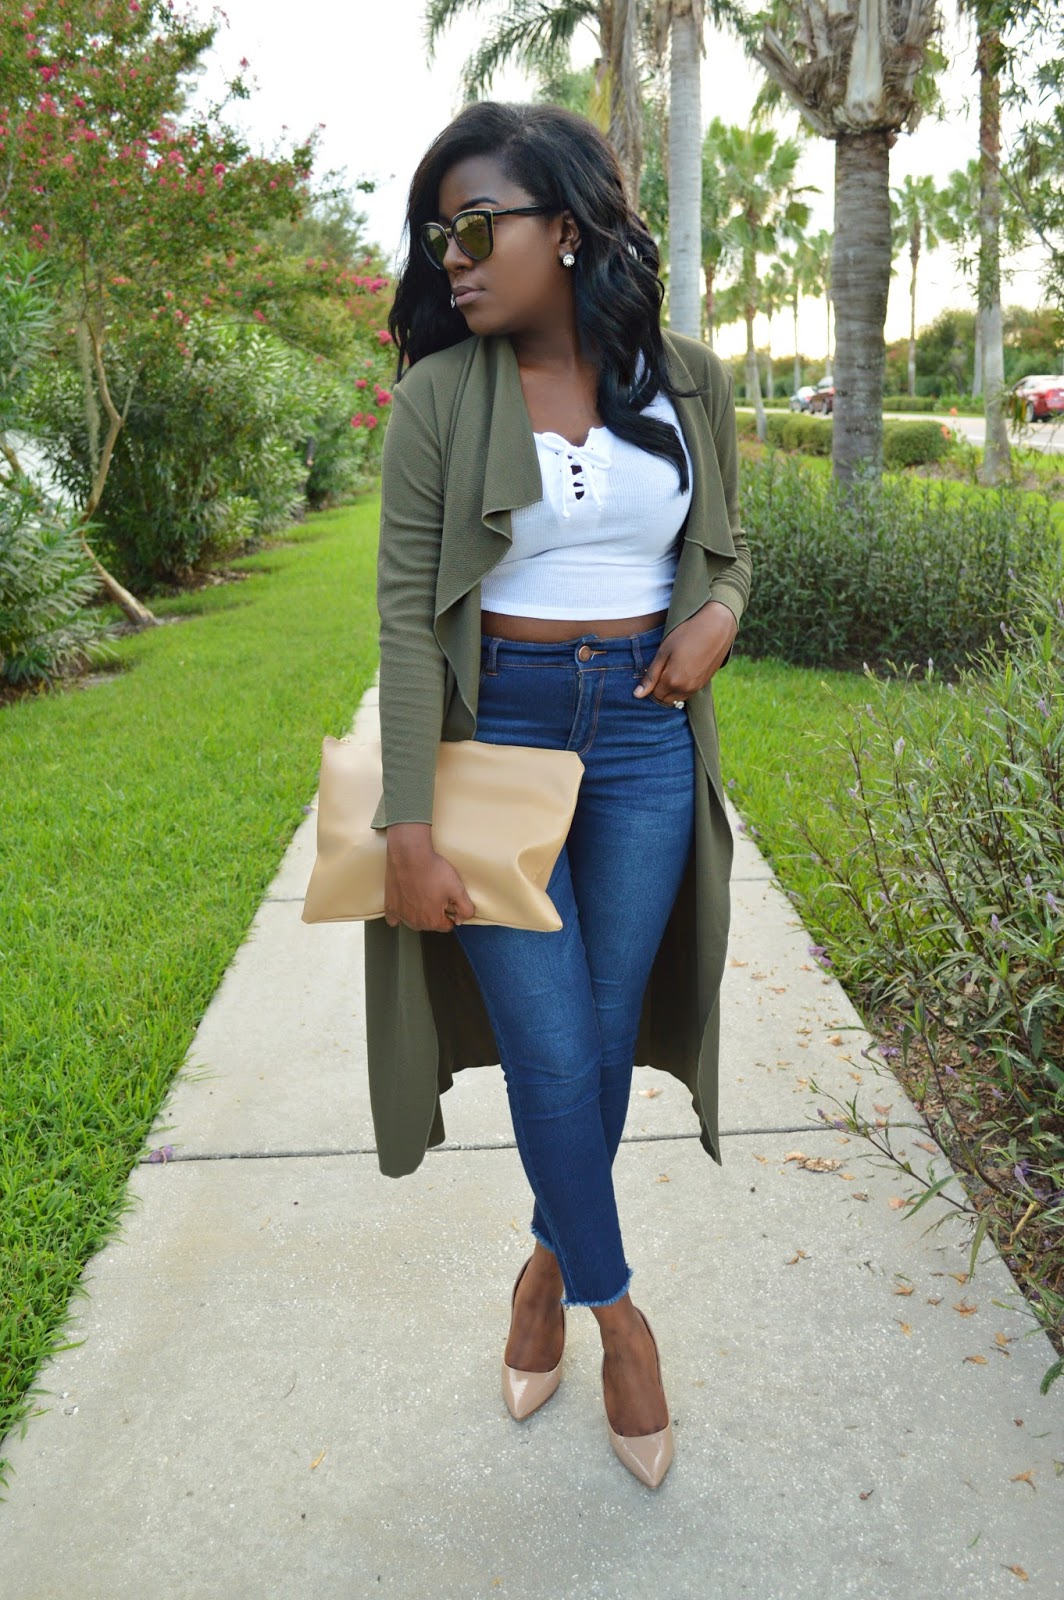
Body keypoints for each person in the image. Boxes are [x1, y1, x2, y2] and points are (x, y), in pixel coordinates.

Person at [365, 100, 752, 1490]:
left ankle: (543, 1267)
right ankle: (617, 1317)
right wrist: (408, 823)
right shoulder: (438, 396)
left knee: (596, 1044)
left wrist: (718, 621)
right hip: (499, 737)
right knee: (549, 1048)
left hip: (646, 737)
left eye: (479, 227)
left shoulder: (687, 379)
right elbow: (407, 619)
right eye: (440, 237)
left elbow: (728, 548)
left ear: (568, 230)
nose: (454, 260)